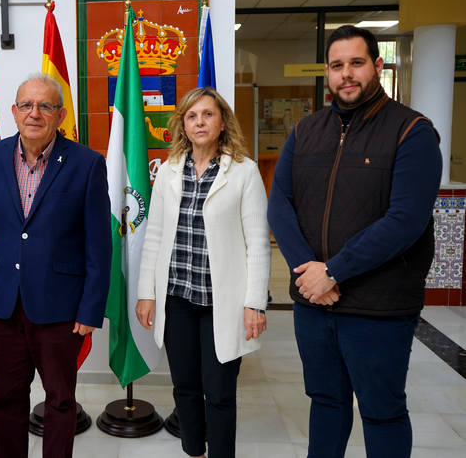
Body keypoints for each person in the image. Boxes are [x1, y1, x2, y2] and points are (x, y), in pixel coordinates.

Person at [267, 25, 442, 458]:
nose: (346, 74)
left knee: (382, 412)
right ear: (327, 73)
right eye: (337, 65)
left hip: (378, 306)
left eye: (356, 63)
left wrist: (333, 271)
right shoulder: (304, 131)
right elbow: (279, 205)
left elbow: (405, 220)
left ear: (377, 66)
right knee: (326, 403)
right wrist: (309, 275)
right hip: (314, 304)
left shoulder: (412, 131)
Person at [0, 73, 112, 458]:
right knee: (5, 401)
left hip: (60, 305)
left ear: (60, 115)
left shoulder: (88, 164)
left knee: (60, 401)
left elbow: (99, 243)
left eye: (45, 106)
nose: (34, 113)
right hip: (3, 305)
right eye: (26, 105)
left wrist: (91, 308)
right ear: (13, 111)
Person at [135, 87, 271, 458]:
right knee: (185, 389)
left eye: (208, 114)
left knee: (220, 392)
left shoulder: (244, 172)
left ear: (222, 122)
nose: (200, 122)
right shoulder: (168, 171)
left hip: (222, 303)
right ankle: (194, 452)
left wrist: (255, 303)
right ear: (182, 124)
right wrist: (146, 294)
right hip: (177, 299)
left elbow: (258, 243)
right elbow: (154, 236)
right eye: (192, 116)